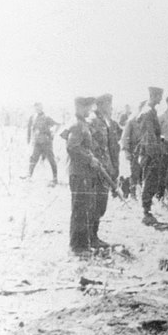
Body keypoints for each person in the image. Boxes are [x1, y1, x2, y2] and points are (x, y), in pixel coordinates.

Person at [64, 96, 101, 255]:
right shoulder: (77, 125)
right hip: (79, 173)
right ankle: (77, 247)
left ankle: (82, 244)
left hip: (84, 173)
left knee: (85, 208)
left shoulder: (82, 124)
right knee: (80, 209)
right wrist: (89, 159)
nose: (89, 110)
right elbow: (72, 147)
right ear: (79, 107)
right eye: (87, 107)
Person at [88, 93, 121, 247]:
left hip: (106, 168)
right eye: (108, 104)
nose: (111, 107)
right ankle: (91, 238)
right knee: (95, 204)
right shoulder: (92, 121)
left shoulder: (108, 122)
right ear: (100, 105)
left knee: (101, 204)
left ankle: (94, 236)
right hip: (96, 170)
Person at [136, 86, 164, 225]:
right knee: (149, 181)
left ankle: (147, 210)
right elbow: (149, 136)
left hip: (150, 152)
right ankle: (146, 212)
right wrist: (154, 155)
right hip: (150, 153)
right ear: (154, 96)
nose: (161, 99)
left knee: (150, 181)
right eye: (159, 96)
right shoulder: (148, 112)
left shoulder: (150, 110)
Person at [25, 102, 60, 185]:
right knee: (33, 158)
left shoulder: (47, 117)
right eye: (36, 107)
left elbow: (57, 125)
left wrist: (53, 133)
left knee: (51, 159)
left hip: (46, 142)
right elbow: (29, 129)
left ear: (42, 107)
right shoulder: (32, 117)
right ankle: (29, 176)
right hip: (37, 142)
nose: (38, 109)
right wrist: (29, 139)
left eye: (39, 107)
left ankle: (55, 178)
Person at [120, 100, 146, 199]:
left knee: (143, 174)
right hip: (134, 150)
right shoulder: (132, 121)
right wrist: (126, 151)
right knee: (134, 173)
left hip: (144, 151)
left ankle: (143, 195)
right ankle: (133, 194)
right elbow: (125, 137)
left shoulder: (148, 120)